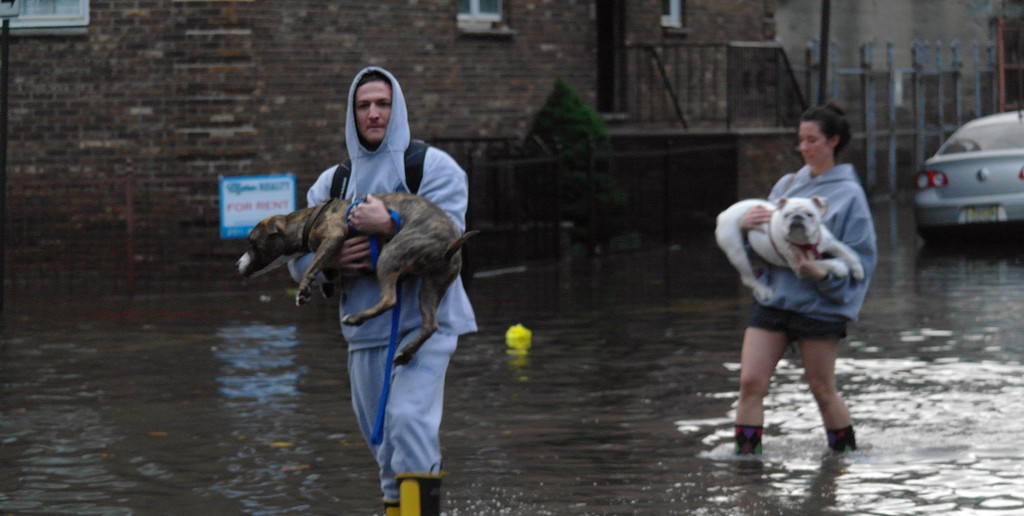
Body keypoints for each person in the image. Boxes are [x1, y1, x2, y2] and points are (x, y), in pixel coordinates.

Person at [288, 67, 477, 515]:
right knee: (386, 450)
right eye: (364, 105)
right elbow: (294, 258)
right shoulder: (331, 185)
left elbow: (450, 237)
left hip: (425, 329)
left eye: (383, 104)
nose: (374, 114)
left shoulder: (431, 168)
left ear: (398, 109)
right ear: (352, 114)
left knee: (410, 423)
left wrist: (390, 224)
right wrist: (330, 264)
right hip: (364, 338)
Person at [733, 101, 877, 456]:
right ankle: (746, 468)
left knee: (822, 389)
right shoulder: (787, 185)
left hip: (820, 308)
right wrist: (744, 227)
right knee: (750, 383)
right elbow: (763, 244)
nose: (804, 148)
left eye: (812, 140)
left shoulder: (850, 196)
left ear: (833, 141)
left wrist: (821, 276)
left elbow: (860, 261)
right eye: (801, 140)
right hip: (774, 300)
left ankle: (842, 463)